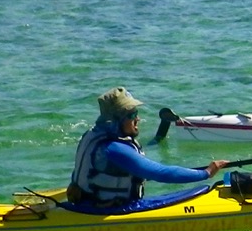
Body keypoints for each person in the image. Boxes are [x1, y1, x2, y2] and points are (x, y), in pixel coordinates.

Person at [67, 87, 228, 212]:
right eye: (131, 115)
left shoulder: (92, 134)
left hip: (85, 202)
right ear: (115, 121)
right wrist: (206, 173)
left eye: (136, 113)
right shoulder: (114, 149)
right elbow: (160, 173)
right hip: (107, 210)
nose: (137, 118)